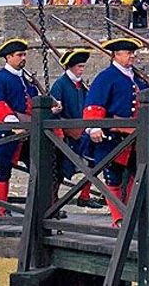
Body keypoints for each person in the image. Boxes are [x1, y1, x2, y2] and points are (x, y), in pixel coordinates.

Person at [83, 38, 149, 227]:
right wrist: (94, 126)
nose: (132, 56)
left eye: (133, 53)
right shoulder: (107, 76)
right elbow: (94, 103)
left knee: (133, 175)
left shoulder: (135, 78)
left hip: (133, 136)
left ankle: (128, 212)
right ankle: (117, 217)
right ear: (116, 55)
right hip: (112, 135)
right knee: (113, 176)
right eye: (128, 53)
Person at [0, 39, 50, 216]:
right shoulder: (0, 78)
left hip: (27, 131)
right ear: (8, 57)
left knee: (38, 168)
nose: (23, 58)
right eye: (19, 55)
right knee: (4, 170)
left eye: (24, 54)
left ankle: (40, 208)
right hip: (7, 131)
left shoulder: (25, 80)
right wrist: (13, 123)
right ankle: (4, 209)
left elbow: (33, 101)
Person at [50, 49, 104, 210]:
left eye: (83, 66)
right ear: (71, 67)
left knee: (93, 162)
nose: (81, 69)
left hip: (82, 133)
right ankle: (53, 204)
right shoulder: (60, 85)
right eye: (79, 66)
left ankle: (85, 196)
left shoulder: (82, 87)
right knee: (58, 171)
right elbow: (54, 112)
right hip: (64, 135)